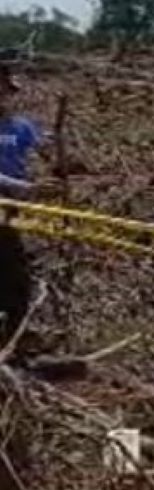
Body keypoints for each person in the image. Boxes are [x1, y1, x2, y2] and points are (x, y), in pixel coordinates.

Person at [0, 65, 40, 347]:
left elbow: (38, 154)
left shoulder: (21, 126)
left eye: (5, 90)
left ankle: (13, 336)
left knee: (14, 273)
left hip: (11, 208)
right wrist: (22, 186)